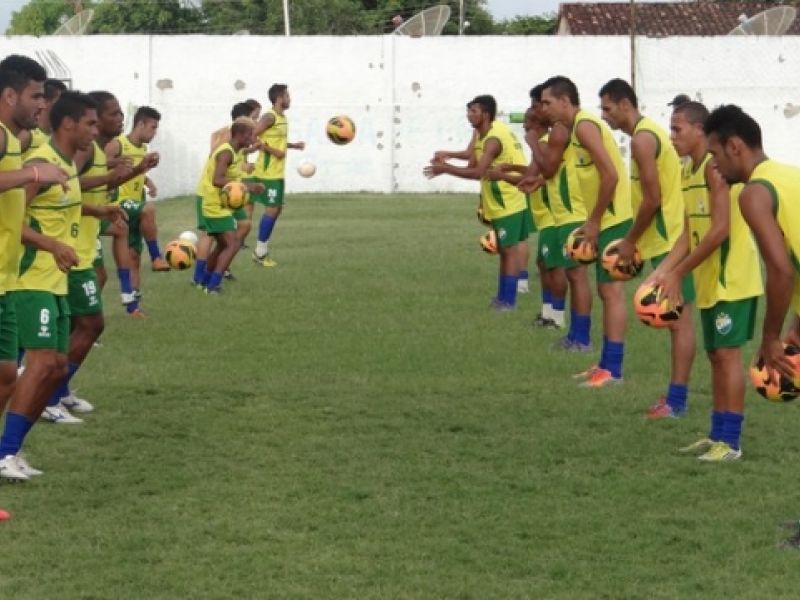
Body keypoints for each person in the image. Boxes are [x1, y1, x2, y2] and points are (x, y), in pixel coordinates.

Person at [648, 101, 762, 460]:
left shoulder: (716, 171)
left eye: (678, 128)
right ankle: (716, 434)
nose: (672, 136)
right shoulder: (686, 170)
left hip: (733, 279)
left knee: (728, 356)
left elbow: (719, 231)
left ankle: (731, 442)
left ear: (700, 130)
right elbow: (688, 232)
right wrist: (662, 270)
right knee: (715, 356)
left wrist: (679, 272)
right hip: (711, 279)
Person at [0, 91, 95, 479]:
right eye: (90, 123)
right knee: (40, 364)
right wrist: (50, 244)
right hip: (30, 278)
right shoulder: (39, 163)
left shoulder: (66, 164)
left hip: (55, 279)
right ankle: (5, 453)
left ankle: (12, 449)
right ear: (69, 123)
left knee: (55, 367)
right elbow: (15, 218)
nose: (95, 131)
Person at [598, 78, 696, 417]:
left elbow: (652, 199)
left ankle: (677, 402)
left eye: (608, 108)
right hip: (664, 239)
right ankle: (674, 399)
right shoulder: (643, 135)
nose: (604, 116)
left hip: (671, 239)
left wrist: (629, 241)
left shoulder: (643, 139)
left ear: (626, 104)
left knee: (679, 321)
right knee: (677, 321)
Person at [0, 54, 70, 480]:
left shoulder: (13, 139)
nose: (43, 104)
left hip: (6, 278)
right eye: (36, 96)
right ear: (10, 95)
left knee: (8, 374)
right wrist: (32, 174)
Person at [539, 76, 632, 386]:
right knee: (606, 292)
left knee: (611, 292)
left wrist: (593, 221)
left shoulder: (584, 126)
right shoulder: (577, 129)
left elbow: (611, 175)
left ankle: (613, 370)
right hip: (606, 218)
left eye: (548, 102)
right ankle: (605, 363)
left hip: (613, 219)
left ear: (565, 101)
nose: (544, 108)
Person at [704, 105, 800, 398]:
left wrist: (770, 338)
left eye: (715, 154)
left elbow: (781, 271)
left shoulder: (754, 194)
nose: (714, 165)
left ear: (734, 146)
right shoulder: (791, 175)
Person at [424, 95, 530, 310]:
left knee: (509, 251)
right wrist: (448, 155)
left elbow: (478, 172)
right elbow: (472, 157)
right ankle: (502, 298)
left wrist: (445, 169)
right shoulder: (483, 132)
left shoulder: (493, 139)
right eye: (468, 110)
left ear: (486, 114)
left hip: (508, 199)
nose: (469, 115)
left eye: (474, 111)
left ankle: (508, 301)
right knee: (505, 250)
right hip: (500, 199)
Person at [526, 83, 593, 337]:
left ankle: (577, 334)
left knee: (575, 275)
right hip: (561, 213)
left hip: (571, 212)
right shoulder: (567, 129)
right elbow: (551, 172)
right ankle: (564, 325)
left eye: (543, 104)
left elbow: (548, 168)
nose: (540, 109)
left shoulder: (562, 130)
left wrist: (533, 143)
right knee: (554, 267)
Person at [87, 90, 144, 317]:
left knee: (121, 229)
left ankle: (129, 297)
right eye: (114, 113)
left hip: (92, 218)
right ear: (96, 118)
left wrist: (140, 169)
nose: (121, 118)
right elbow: (72, 186)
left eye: (121, 113)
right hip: (78, 225)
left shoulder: (97, 151)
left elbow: (103, 185)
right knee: (97, 278)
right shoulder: (86, 151)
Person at [195, 118, 264, 293]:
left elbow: (234, 175)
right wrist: (248, 186)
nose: (253, 138)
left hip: (223, 205)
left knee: (223, 245)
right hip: (214, 205)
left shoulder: (237, 151)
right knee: (232, 244)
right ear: (239, 135)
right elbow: (217, 180)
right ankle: (213, 285)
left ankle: (204, 281)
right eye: (250, 135)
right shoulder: (225, 152)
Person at [105, 106, 164, 297]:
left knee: (133, 257)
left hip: (135, 203)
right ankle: (156, 257)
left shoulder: (143, 149)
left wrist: (149, 181)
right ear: (141, 124)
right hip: (119, 202)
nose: (155, 133)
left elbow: (136, 171)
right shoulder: (118, 144)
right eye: (153, 127)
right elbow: (100, 164)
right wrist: (114, 168)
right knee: (149, 209)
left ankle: (133, 300)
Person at [250, 84, 305, 267]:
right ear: (279, 98)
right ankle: (259, 253)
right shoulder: (269, 117)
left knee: (277, 210)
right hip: (267, 173)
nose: (290, 99)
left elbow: (275, 140)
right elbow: (252, 135)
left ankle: (262, 250)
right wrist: (271, 151)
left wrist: (293, 146)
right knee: (272, 210)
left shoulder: (282, 118)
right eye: (287, 96)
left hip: (277, 172)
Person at [20, 78, 66, 160]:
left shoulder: (58, 138)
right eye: (60, 102)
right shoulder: (27, 135)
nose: (64, 106)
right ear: (45, 102)